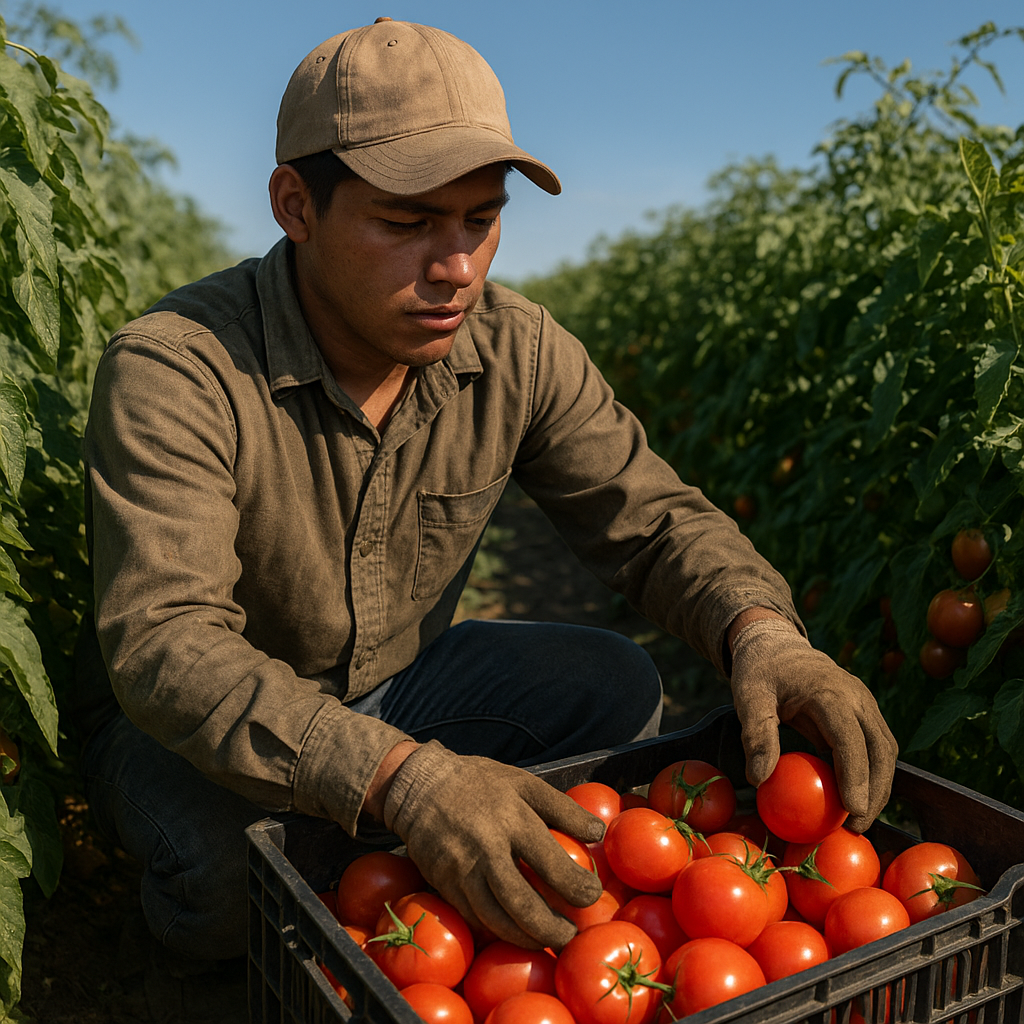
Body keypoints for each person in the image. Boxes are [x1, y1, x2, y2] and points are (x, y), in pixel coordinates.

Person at [75, 18, 897, 962]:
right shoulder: (179, 369)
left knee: (614, 687)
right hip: (187, 734)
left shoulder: (517, 348)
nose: (456, 267)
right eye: (407, 222)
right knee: (233, 878)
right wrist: (405, 781)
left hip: (394, 686)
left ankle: (419, 874)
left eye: (481, 219)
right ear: (296, 206)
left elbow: (652, 520)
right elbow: (167, 646)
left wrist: (761, 632)